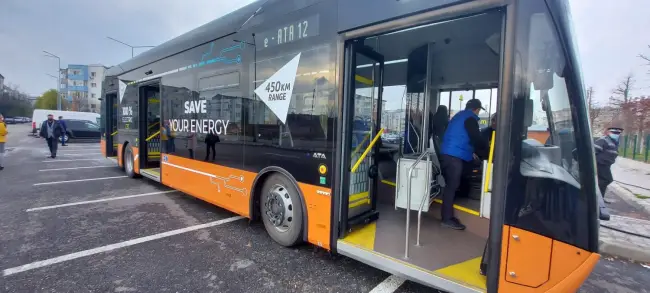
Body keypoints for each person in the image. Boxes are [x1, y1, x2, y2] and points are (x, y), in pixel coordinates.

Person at [439, 99, 489, 230]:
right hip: (453, 156)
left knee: (455, 182)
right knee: (451, 186)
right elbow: (476, 138)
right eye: (478, 110)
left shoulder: (459, 116)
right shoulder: (470, 119)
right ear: (476, 109)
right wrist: (487, 149)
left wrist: (472, 152)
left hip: (448, 153)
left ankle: (450, 212)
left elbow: (461, 136)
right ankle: (447, 219)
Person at [594, 125, 623, 204]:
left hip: (606, 165)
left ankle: (599, 198)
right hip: (600, 164)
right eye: (614, 132)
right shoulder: (603, 140)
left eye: (617, 133)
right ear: (608, 132)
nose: (616, 134)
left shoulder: (614, 142)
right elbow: (593, 152)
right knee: (607, 179)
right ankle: (597, 197)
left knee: (603, 181)